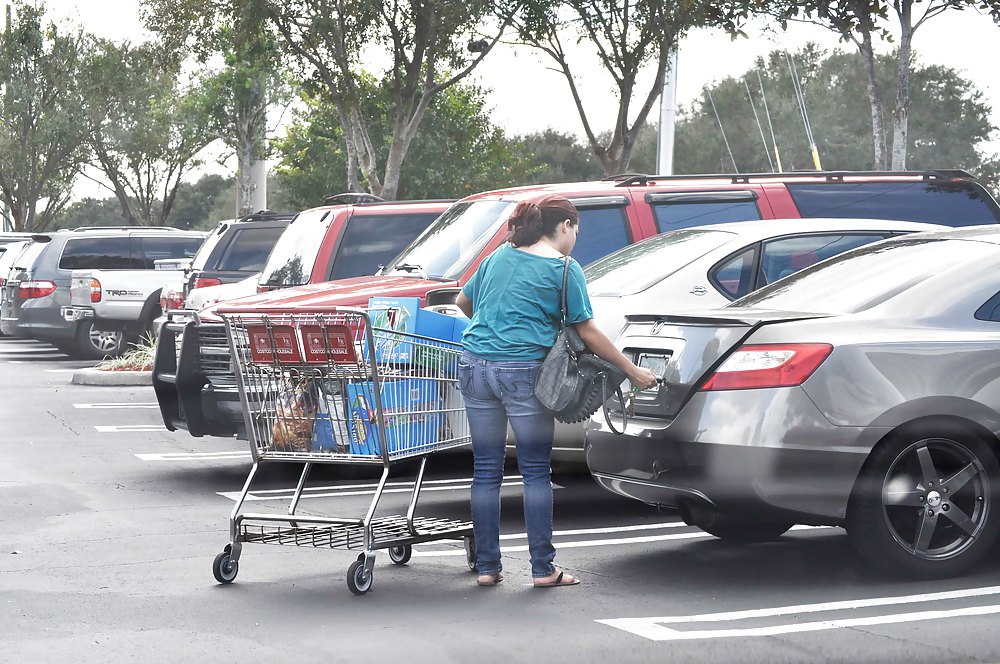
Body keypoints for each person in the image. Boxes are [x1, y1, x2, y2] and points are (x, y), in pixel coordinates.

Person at [455, 194, 658, 588]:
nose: (575, 238)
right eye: (576, 231)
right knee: (533, 471)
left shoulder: (499, 256)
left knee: (486, 470)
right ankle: (543, 570)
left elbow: (465, 301)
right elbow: (588, 331)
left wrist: (495, 331)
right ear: (564, 226)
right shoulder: (565, 269)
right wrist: (631, 370)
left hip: (475, 366)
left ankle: (487, 568)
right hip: (522, 373)